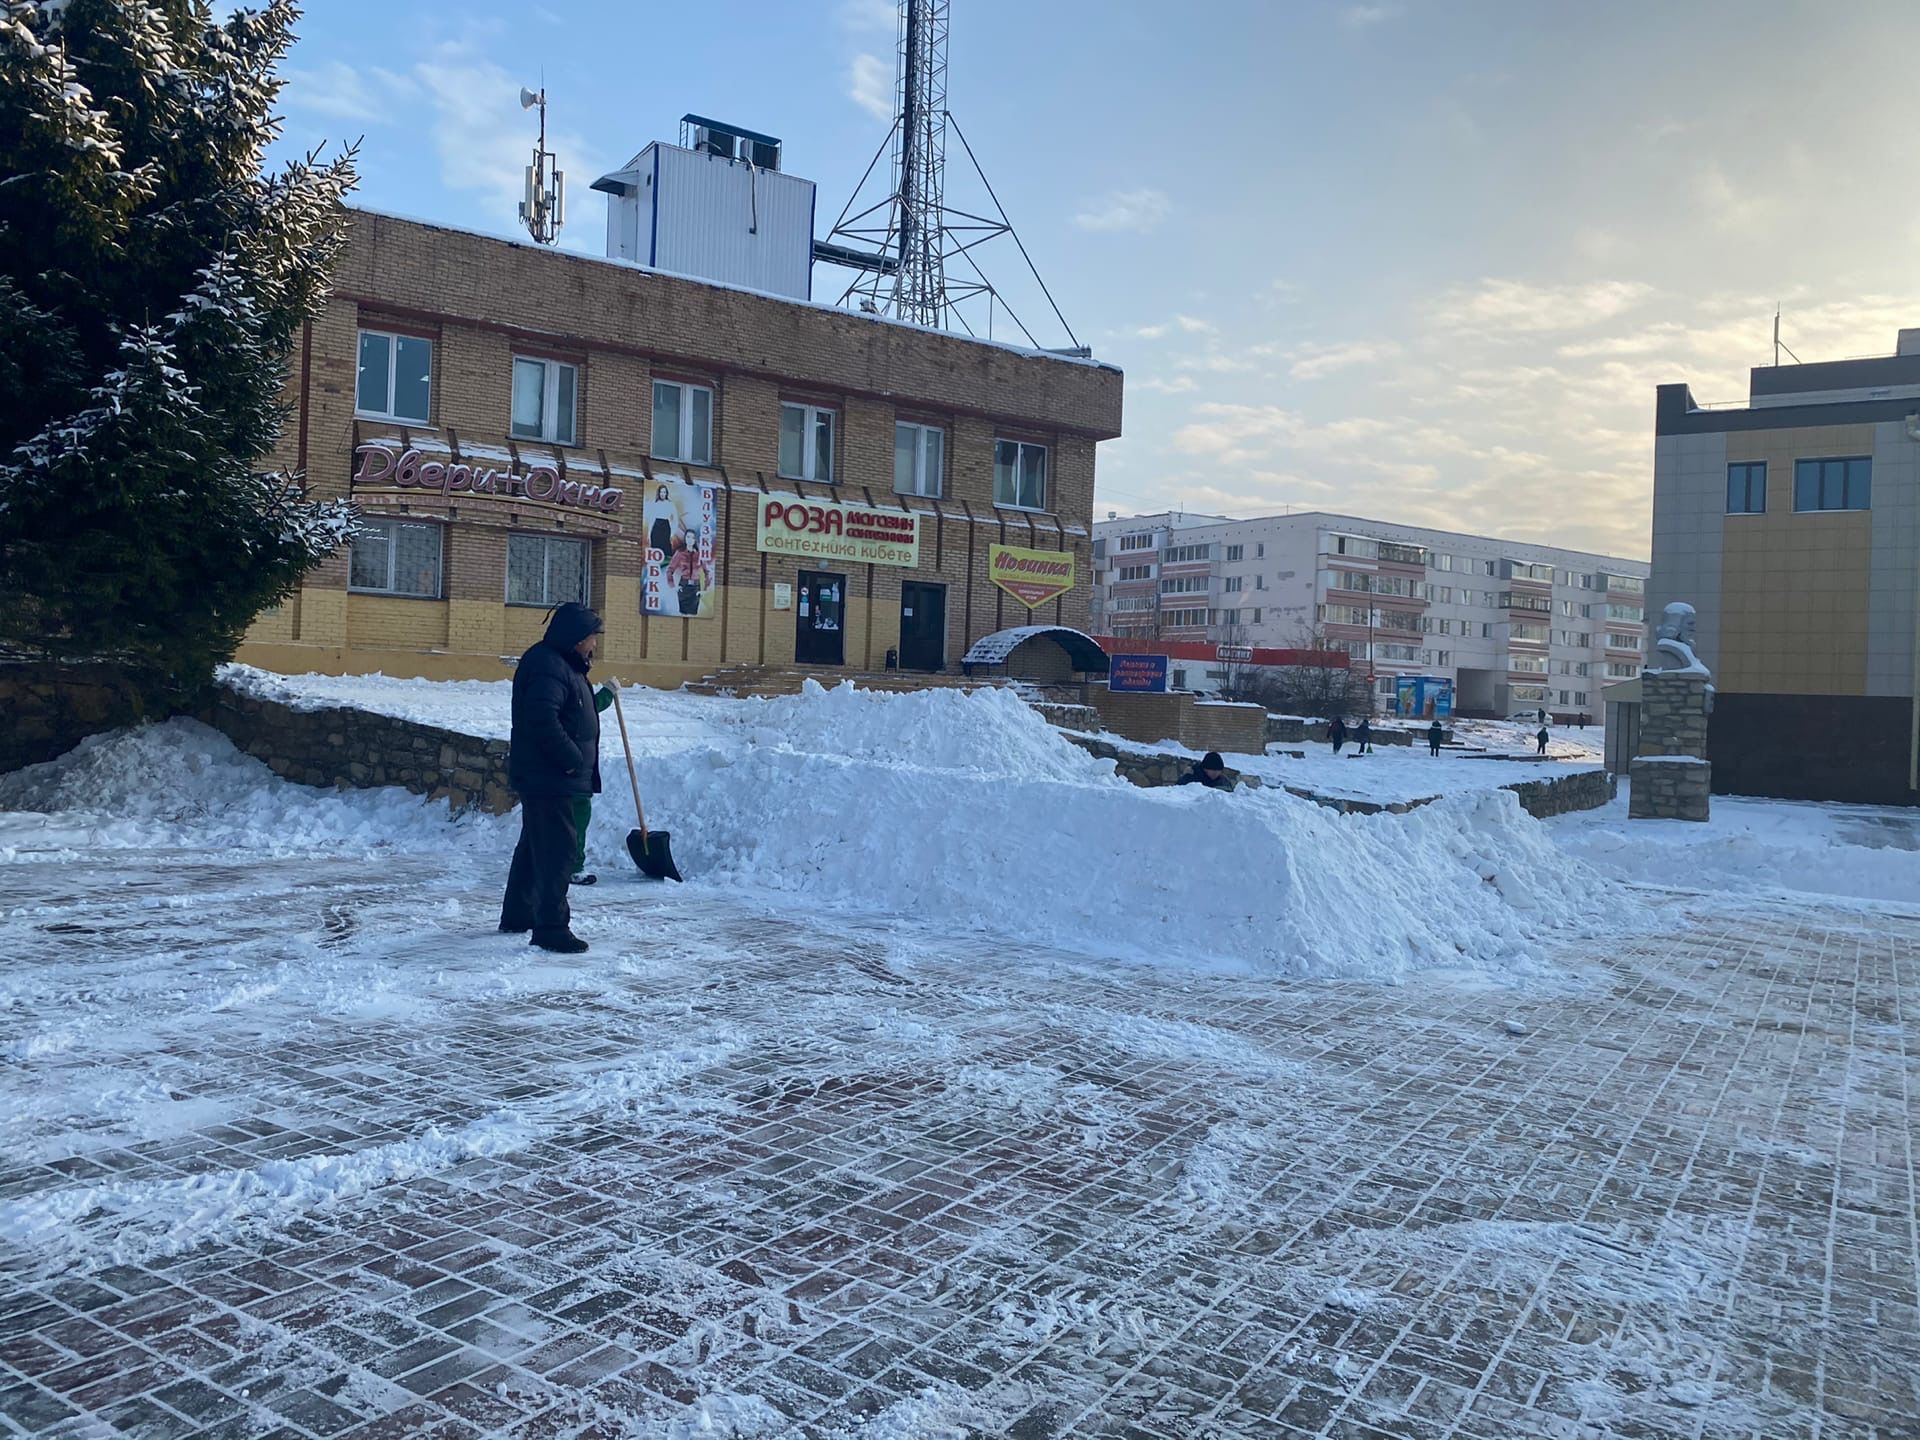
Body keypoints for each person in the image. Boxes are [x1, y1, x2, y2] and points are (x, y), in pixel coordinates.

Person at [499, 602, 604, 954]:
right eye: (591, 637)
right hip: (551, 776)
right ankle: (551, 927)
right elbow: (542, 719)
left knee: (534, 848)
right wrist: (572, 761)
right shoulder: (549, 665)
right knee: (558, 852)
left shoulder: (560, 663)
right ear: (575, 638)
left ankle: (518, 913)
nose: (594, 645)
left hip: (548, 775)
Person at [569, 684, 615, 886]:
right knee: (576, 819)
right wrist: (607, 694)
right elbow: (584, 708)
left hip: (578, 767)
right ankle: (572, 868)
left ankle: (562, 866)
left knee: (575, 818)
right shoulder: (566, 679)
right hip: (572, 767)